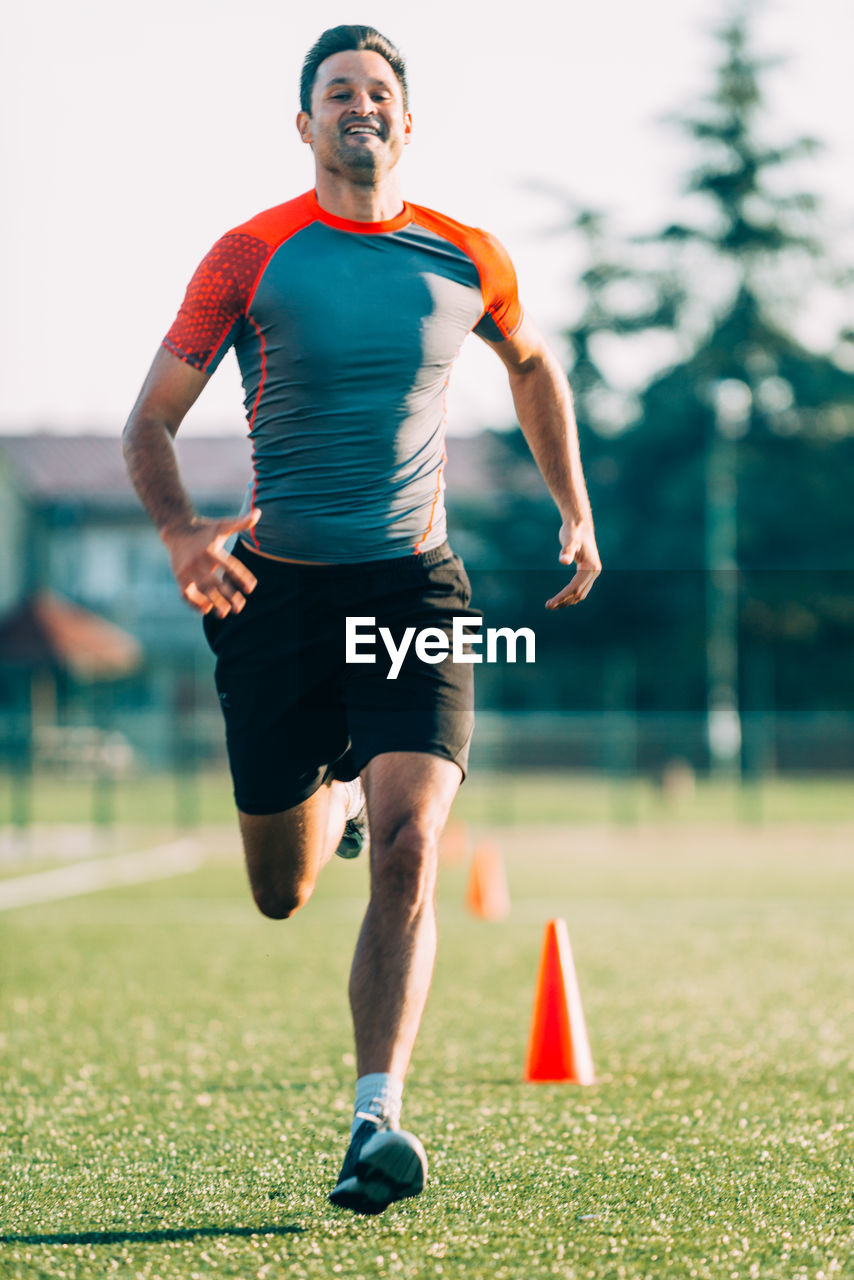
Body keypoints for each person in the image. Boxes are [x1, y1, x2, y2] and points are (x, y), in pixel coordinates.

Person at [122, 23, 600, 1215]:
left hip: (412, 588)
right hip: (274, 593)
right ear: (305, 124)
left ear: (404, 118)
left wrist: (573, 510)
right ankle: (326, 791)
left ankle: (374, 1116)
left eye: (378, 90)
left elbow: (531, 366)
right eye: (337, 91)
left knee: (411, 842)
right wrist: (186, 533)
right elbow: (149, 422)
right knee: (281, 889)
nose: (360, 106)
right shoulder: (249, 254)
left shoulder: (465, 255)